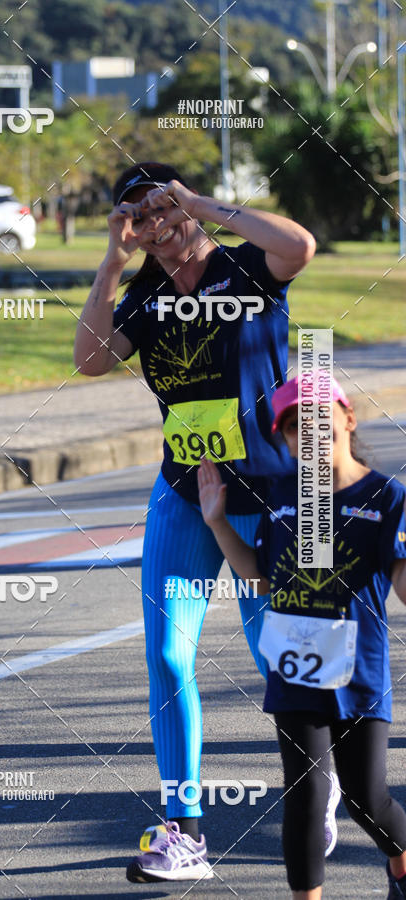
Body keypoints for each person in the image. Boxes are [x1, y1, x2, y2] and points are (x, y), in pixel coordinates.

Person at [74, 161, 320, 881]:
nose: (159, 225)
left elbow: (299, 247)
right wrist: (112, 264)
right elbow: (90, 357)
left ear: (185, 205)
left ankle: (320, 786)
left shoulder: (246, 270)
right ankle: (185, 832)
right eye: (140, 217)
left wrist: (201, 206)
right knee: (170, 657)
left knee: (283, 659)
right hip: (187, 494)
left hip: (272, 497)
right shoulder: (144, 294)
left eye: (164, 208)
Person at [198, 373, 406, 898]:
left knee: (365, 799)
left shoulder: (386, 497)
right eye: (294, 428)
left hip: (358, 672)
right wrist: (218, 522)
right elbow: (260, 577)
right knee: (307, 794)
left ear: (347, 418)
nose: (309, 435)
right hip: (294, 666)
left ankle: (402, 865)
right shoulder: (283, 498)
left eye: (319, 419)